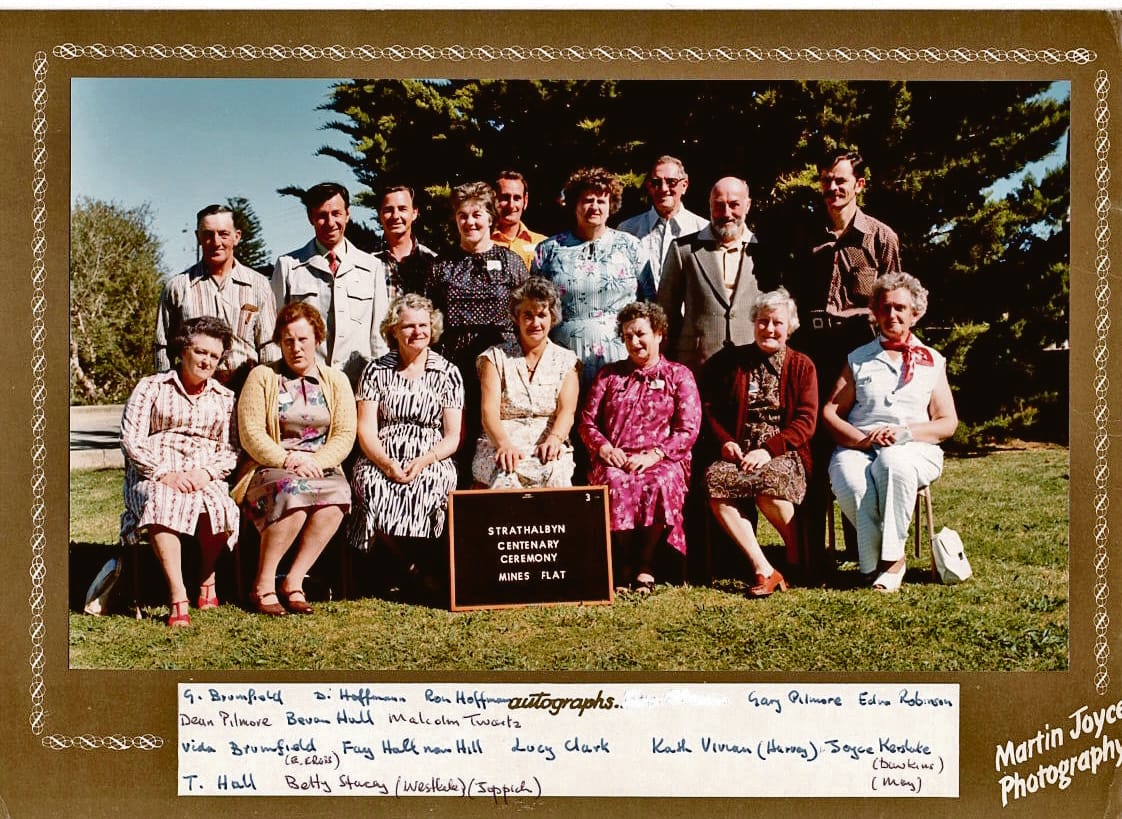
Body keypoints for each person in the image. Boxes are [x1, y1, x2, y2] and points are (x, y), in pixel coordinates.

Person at [788, 149, 903, 577]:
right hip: (814, 346)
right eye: (826, 180)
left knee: (859, 437)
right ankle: (813, 551)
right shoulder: (806, 235)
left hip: (859, 347)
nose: (833, 188)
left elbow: (895, 299)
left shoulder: (880, 237)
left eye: (841, 180)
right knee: (813, 442)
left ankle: (863, 546)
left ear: (859, 184)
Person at [822, 272, 957, 593]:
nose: (892, 315)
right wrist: (862, 439)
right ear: (875, 312)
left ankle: (892, 561)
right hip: (858, 447)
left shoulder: (932, 361)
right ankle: (871, 563)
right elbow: (830, 411)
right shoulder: (859, 358)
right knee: (851, 482)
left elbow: (947, 422)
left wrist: (904, 433)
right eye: (885, 308)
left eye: (900, 308)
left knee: (892, 462)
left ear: (915, 313)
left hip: (914, 450)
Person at [234, 302, 357, 616]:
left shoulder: (336, 380)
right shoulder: (263, 376)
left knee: (338, 495)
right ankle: (262, 584)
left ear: (317, 338)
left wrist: (317, 462)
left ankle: (293, 581)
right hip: (270, 467)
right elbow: (251, 433)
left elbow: (344, 433)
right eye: (288, 341)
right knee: (294, 491)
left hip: (321, 466)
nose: (296, 348)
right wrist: (288, 460)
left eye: (303, 339)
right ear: (279, 342)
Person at [119, 316, 239, 627]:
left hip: (201, 472)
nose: (206, 361)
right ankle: (177, 594)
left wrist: (206, 474)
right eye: (200, 352)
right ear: (182, 351)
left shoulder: (225, 398)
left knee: (220, 504)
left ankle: (207, 577)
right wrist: (163, 474)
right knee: (162, 501)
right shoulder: (152, 387)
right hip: (155, 473)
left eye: (214, 356)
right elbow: (131, 440)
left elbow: (230, 450)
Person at [701, 288, 817, 597]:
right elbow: (709, 408)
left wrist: (769, 451)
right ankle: (763, 567)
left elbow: (806, 421)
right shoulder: (733, 361)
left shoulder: (802, 365)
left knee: (770, 484)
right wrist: (725, 442)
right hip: (740, 450)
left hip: (784, 451)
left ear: (789, 326)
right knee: (716, 480)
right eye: (763, 321)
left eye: (777, 323)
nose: (769, 329)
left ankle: (798, 557)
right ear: (753, 324)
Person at [578, 302, 701, 594]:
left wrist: (654, 455)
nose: (634, 342)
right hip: (615, 457)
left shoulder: (678, 375)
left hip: (662, 458)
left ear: (659, 334)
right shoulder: (610, 376)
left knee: (659, 481)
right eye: (628, 336)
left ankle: (645, 562)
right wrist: (605, 449)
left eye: (641, 334)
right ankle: (623, 561)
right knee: (615, 482)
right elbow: (587, 422)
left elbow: (689, 428)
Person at [350, 294, 464, 598]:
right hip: (382, 453)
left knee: (433, 484)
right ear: (394, 330)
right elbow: (366, 430)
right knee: (373, 487)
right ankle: (408, 568)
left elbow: (453, 437)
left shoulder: (448, 372)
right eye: (409, 326)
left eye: (423, 325)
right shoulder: (375, 371)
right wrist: (387, 464)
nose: (417, 332)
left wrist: (424, 461)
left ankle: (424, 566)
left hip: (431, 453)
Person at [425, 181, 528, 485]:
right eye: (463, 216)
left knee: (498, 437)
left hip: (503, 366)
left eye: (476, 214)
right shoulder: (440, 266)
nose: (470, 222)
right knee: (457, 437)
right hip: (453, 364)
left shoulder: (512, 263)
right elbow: (428, 322)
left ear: (490, 217)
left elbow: (528, 316)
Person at [532, 167, 656, 391]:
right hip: (564, 357)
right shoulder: (549, 250)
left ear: (611, 206)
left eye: (601, 200)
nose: (595, 207)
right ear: (574, 205)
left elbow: (650, 302)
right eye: (588, 200)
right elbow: (534, 307)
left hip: (621, 354)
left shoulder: (631, 246)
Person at [272, 181, 390, 385]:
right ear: (310, 218)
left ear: (347, 214)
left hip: (357, 385)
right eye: (321, 215)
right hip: (303, 384)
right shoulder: (288, 267)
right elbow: (275, 332)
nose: (330, 222)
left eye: (336, 213)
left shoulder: (372, 267)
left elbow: (379, 337)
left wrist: (380, 385)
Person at [658, 176, 777, 375]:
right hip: (696, 365)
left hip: (751, 363)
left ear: (748, 205)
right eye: (719, 205)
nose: (727, 213)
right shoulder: (684, 250)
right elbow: (665, 311)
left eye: (734, 205)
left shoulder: (765, 252)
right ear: (710, 206)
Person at [154, 203, 278, 391]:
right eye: (208, 234)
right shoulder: (178, 287)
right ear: (198, 237)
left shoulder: (259, 285)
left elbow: (269, 345)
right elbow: (162, 346)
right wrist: (166, 392)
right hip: (194, 392)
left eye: (223, 234)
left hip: (247, 388)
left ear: (237, 237)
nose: (216, 241)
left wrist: (269, 391)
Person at [474, 277, 580, 489]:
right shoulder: (494, 357)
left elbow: (567, 412)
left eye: (541, 315)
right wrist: (504, 445)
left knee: (555, 475)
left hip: (548, 442)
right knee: (506, 476)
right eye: (527, 315)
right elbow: (488, 412)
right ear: (517, 317)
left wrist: (555, 439)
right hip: (501, 442)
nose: (535, 323)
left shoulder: (567, 360)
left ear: (552, 317)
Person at [617, 155, 708, 285]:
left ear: (684, 185)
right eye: (656, 182)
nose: (664, 189)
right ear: (649, 186)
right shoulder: (628, 230)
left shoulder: (703, 230)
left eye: (671, 182)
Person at [374, 184, 437, 301]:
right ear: (380, 214)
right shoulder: (366, 262)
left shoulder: (433, 262)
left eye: (402, 209)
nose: (395, 216)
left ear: (414, 213)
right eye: (388, 210)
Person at [491, 170, 548, 270]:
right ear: (493, 199)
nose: (511, 205)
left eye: (517, 198)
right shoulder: (483, 242)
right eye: (505, 198)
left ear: (525, 201)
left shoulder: (543, 244)